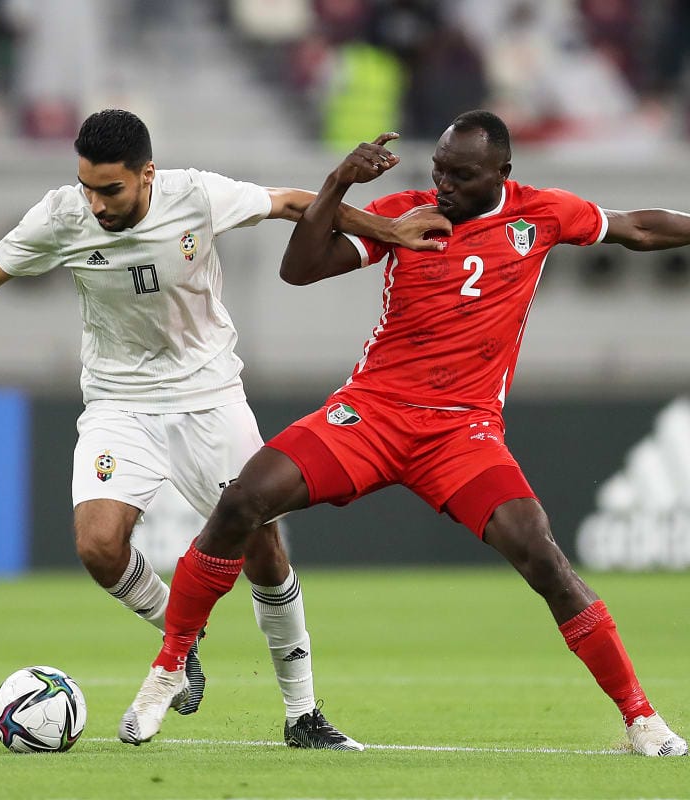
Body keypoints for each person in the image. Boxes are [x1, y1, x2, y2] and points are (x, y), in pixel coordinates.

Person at [132, 109, 689, 757]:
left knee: (541, 555)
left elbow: (638, 228)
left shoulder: (541, 213)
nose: (444, 185)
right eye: (439, 170)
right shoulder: (405, 214)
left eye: (461, 175)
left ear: (502, 173)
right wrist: (339, 182)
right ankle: (169, 667)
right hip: (372, 415)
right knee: (242, 501)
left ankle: (641, 719)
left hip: (462, 432)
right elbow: (300, 268)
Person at [0, 109, 448, 750]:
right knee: (99, 546)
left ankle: (303, 715)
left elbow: (294, 204)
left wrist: (388, 230)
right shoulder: (62, 216)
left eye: (110, 190)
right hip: (118, 402)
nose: (96, 204)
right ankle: (178, 637)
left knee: (263, 552)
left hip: (208, 396)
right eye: (87, 187)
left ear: (147, 174)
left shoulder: (195, 196)